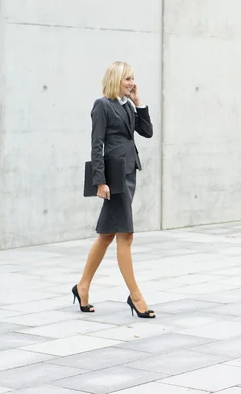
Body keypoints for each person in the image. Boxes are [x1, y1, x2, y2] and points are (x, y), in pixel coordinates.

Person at [71, 61, 155, 318]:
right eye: (127, 78)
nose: (131, 82)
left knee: (107, 235)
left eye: (133, 78)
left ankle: (82, 286)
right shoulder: (102, 106)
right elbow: (96, 144)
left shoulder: (127, 105)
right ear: (115, 79)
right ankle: (136, 296)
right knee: (125, 236)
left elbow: (146, 132)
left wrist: (138, 101)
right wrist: (100, 181)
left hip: (129, 173)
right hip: (114, 178)